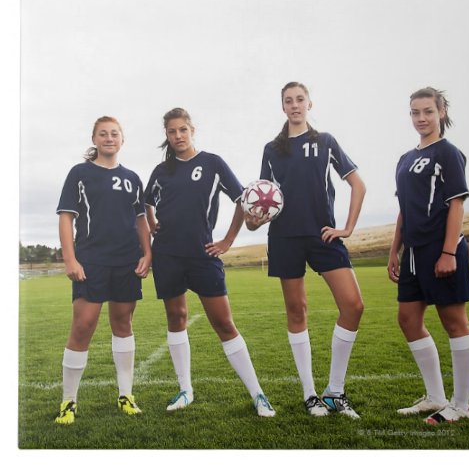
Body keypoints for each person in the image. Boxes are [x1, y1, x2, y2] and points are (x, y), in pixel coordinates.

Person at [144, 107, 275, 417]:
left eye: (183, 130)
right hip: (168, 255)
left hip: (203, 254)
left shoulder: (213, 163)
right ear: (167, 135)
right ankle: (185, 389)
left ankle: (258, 394)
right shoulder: (161, 171)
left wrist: (228, 241)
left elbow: (243, 200)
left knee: (224, 323)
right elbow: (146, 202)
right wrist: (151, 224)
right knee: (176, 318)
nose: (178, 136)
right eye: (172, 131)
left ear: (192, 130)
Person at [246, 82, 366, 418]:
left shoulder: (325, 141)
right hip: (285, 238)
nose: (295, 105)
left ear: (310, 103)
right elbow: (262, 200)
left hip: (323, 236)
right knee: (297, 311)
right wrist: (252, 221)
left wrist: (347, 228)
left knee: (354, 306)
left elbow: (358, 184)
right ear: (282, 107)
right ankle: (311, 394)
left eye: (300, 99)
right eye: (288, 101)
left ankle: (335, 391)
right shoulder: (272, 149)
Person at [388, 87, 469, 424]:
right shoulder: (405, 158)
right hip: (412, 253)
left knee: (454, 322)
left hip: (441, 250)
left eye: (427, 111)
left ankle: (461, 404)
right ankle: (435, 397)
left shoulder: (449, 153)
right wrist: (395, 251)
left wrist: (448, 252)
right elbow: (402, 210)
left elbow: (456, 203)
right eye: (415, 112)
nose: (421, 118)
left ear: (441, 112)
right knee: (408, 319)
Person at [54, 116, 152, 425]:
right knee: (83, 326)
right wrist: (70, 259)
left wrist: (148, 253)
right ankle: (68, 402)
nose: (109, 138)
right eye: (103, 134)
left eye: (114, 134)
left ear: (122, 139)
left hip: (126, 261)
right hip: (91, 260)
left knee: (123, 323)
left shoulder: (133, 178)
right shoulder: (80, 173)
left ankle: (126, 395)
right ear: (95, 139)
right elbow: (67, 217)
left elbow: (141, 220)